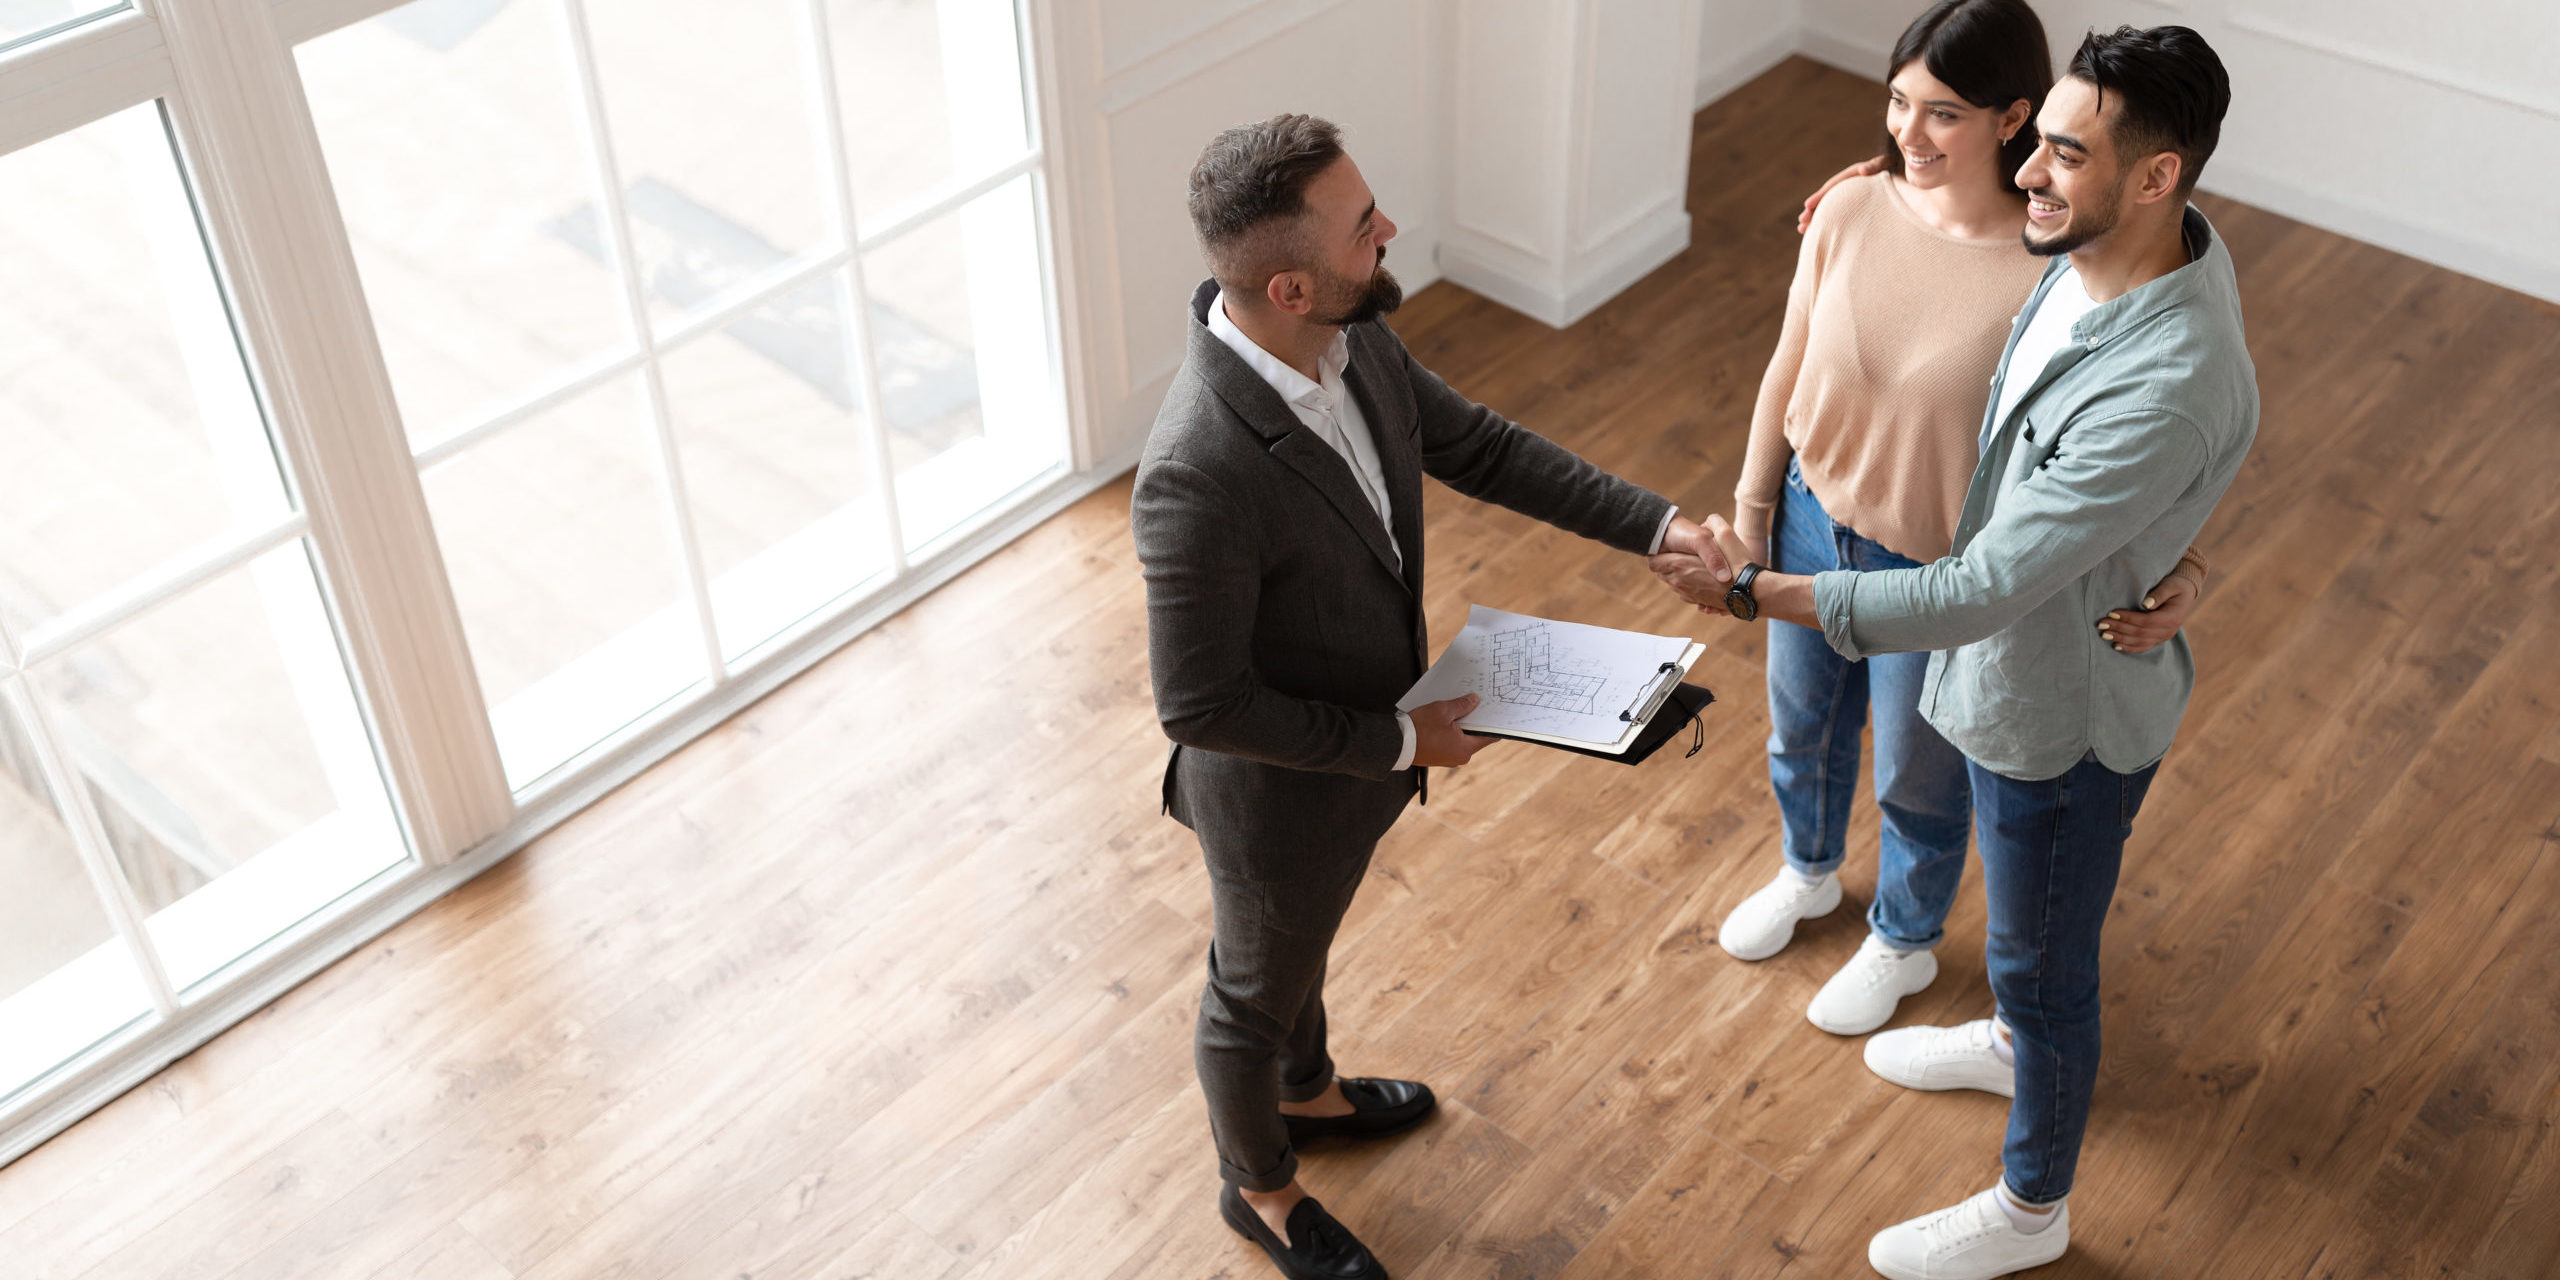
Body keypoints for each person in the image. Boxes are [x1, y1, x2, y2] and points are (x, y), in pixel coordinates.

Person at [1656, 25, 2253, 1280]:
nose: (2027, 172)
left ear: (2154, 177)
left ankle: (2032, 1206)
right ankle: (2001, 1037)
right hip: (2001, 659)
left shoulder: (2164, 372)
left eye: (2059, 153)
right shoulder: (2122, 247)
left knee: (2043, 960)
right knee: (2020, 944)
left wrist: (1754, 588)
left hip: (2055, 704)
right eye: (2031, 142)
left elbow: (1988, 576)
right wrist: (2181, 551)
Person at [1135, 113, 1723, 1280]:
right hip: (1285, 794)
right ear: (1292, 284)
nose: (1389, 228)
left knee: (1296, 955)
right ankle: (1259, 1185)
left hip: (1365, 756)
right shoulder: (1195, 472)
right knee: (1248, 993)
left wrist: (1655, 527)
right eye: (1365, 226)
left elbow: (1485, 449)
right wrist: (1397, 735)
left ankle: (1306, 1092)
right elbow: (1199, 707)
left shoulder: (1352, 343)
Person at [1714, 0, 2211, 1044]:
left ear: (2012, 121)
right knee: (1799, 731)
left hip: (1934, 572)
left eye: (1941, 112)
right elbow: (1787, 361)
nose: (1906, 133)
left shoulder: (2058, 268)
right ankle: (1807, 871)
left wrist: (2189, 566)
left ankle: (1901, 934)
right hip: (1811, 518)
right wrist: (1756, 505)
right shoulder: (1848, 210)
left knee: (1915, 775)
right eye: (1896, 102)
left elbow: (2126, 434)